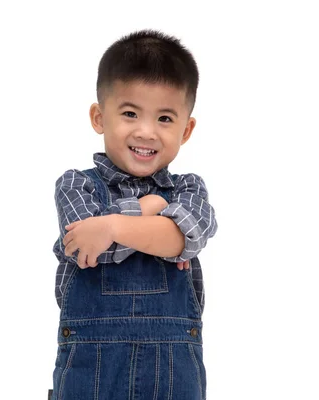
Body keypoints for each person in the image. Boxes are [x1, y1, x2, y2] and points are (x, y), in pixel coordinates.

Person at [50, 29, 218, 400]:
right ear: (99, 117)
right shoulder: (76, 186)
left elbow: (182, 238)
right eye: (129, 113)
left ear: (186, 129)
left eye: (165, 119)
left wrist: (110, 224)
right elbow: (87, 249)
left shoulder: (189, 189)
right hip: (90, 369)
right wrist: (149, 212)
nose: (146, 132)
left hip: (175, 371)